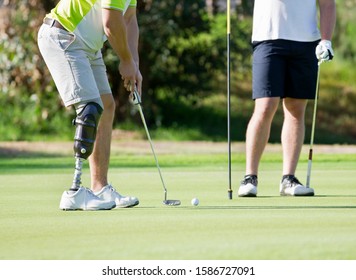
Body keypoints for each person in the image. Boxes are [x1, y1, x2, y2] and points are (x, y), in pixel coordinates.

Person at [38, 0, 142, 210]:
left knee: (106, 106)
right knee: (90, 108)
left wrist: (134, 64)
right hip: (63, 36)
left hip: (88, 46)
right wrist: (125, 61)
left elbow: (129, 20)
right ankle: (74, 192)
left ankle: (100, 188)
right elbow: (111, 23)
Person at [238, 0, 336, 197]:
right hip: (269, 38)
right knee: (265, 106)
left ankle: (288, 179)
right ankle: (250, 177)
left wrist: (326, 40)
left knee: (296, 109)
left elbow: (327, 4)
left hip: (307, 42)